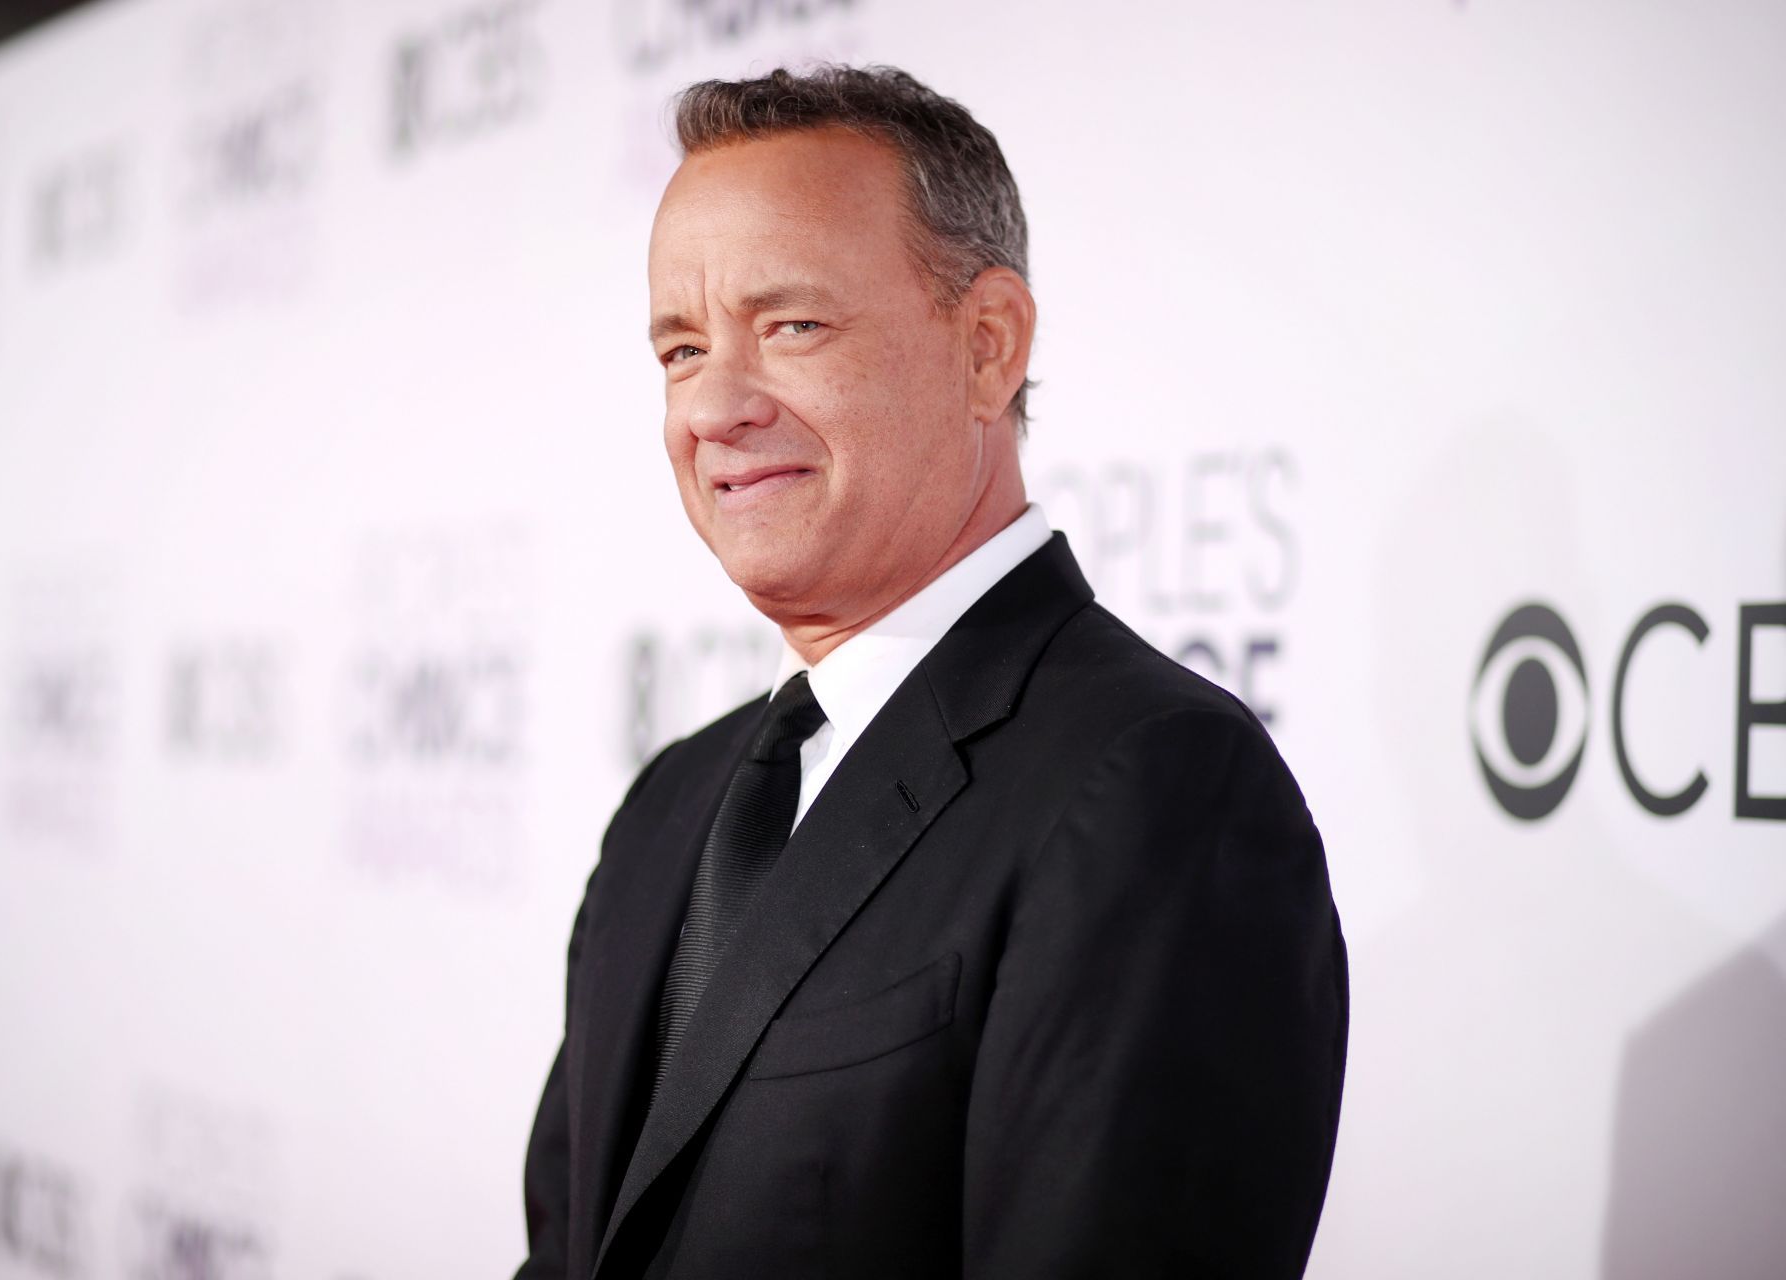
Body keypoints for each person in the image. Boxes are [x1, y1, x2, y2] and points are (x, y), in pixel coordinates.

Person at [516, 65, 1346, 1279]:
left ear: (986, 346)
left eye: (791, 325)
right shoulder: (668, 808)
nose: (716, 407)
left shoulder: (1159, 789)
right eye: (682, 349)